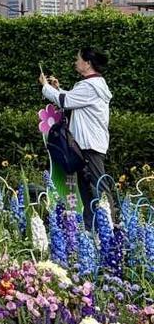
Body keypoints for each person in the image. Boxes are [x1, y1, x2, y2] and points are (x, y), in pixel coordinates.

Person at [40, 46, 112, 228]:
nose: (76, 62)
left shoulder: (89, 86)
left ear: (87, 63)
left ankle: (111, 227)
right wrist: (58, 88)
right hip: (87, 145)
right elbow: (74, 99)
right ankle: (90, 228)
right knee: (86, 188)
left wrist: (46, 87)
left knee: (99, 187)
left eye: (78, 59)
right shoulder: (94, 84)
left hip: (90, 145)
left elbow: (65, 101)